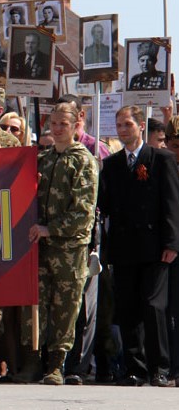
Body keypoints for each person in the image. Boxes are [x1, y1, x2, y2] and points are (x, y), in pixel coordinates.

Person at [11, 101, 99, 385]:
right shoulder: (44, 159)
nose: (58, 129)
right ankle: (33, 359)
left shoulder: (83, 160)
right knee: (35, 303)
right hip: (39, 246)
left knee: (65, 307)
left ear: (75, 125)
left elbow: (83, 213)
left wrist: (51, 229)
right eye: (54, 123)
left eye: (64, 124)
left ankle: (56, 364)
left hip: (68, 249)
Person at [99, 105, 179, 387]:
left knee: (153, 305)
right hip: (123, 246)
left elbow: (171, 203)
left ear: (141, 126)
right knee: (128, 307)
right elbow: (104, 206)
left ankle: (160, 366)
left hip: (155, 245)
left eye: (128, 124)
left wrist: (172, 241)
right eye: (119, 125)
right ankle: (135, 367)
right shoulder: (111, 164)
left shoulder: (161, 159)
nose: (123, 130)